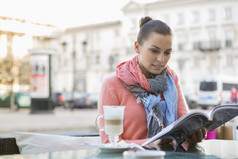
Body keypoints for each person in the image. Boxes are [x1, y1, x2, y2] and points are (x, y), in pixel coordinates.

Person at [97, 16, 207, 149]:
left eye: (167, 53)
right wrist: (151, 144)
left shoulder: (172, 79)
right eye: (154, 51)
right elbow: (109, 142)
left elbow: (183, 126)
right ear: (137, 47)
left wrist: (193, 135)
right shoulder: (112, 84)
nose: (161, 59)